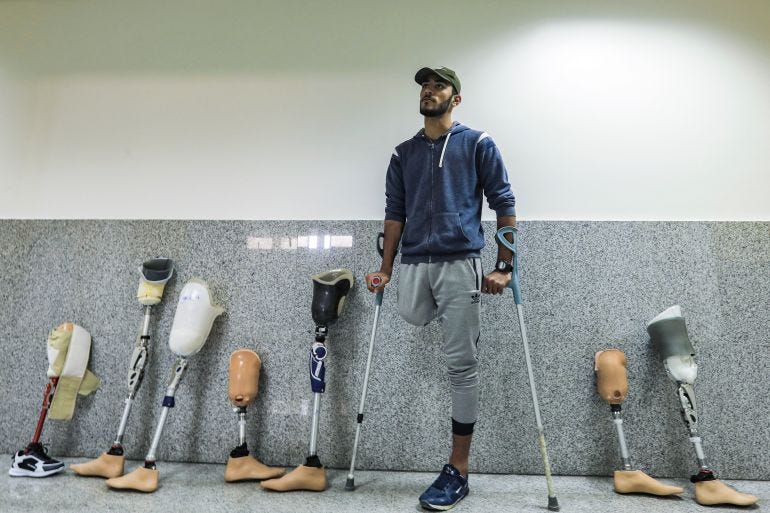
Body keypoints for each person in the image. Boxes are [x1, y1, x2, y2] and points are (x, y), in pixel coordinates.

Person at [366, 66, 517, 511]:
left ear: (457, 98)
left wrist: (503, 267)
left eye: (439, 86)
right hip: (414, 261)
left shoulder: (477, 144)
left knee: (461, 364)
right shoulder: (403, 154)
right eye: (424, 86)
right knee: (412, 314)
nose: (429, 91)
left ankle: (458, 469)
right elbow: (395, 214)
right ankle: (453, 322)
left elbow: (504, 203)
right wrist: (385, 268)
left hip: (459, 261)